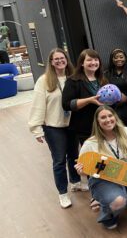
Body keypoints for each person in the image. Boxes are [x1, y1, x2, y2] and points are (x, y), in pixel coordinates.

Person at [75, 106, 127, 230]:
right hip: (104, 180)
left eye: (110, 116)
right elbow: (83, 171)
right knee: (118, 201)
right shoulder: (90, 144)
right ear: (97, 122)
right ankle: (109, 215)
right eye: (103, 117)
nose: (108, 120)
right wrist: (81, 172)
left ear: (115, 117)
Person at [28, 48, 85, 208]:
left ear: (66, 59)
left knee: (74, 155)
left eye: (62, 58)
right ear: (51, 62)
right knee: (59, 160)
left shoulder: (73, 78)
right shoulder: (44, 80)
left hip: (72, 124)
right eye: (56, 59)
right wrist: (36, 129)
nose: (60, 61)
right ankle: (63, 193)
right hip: (53, 127)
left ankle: (75, 182)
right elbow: (38, 105)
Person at [62, 49, 106, 144]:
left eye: (96, 60)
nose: (93, 62)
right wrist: (89, 100)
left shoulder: (103, 79)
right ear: (82, 63)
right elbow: (66, 104)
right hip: (85, 128)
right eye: (89, 60)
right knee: (91, 157)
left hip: (105, 125)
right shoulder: (73, 81)